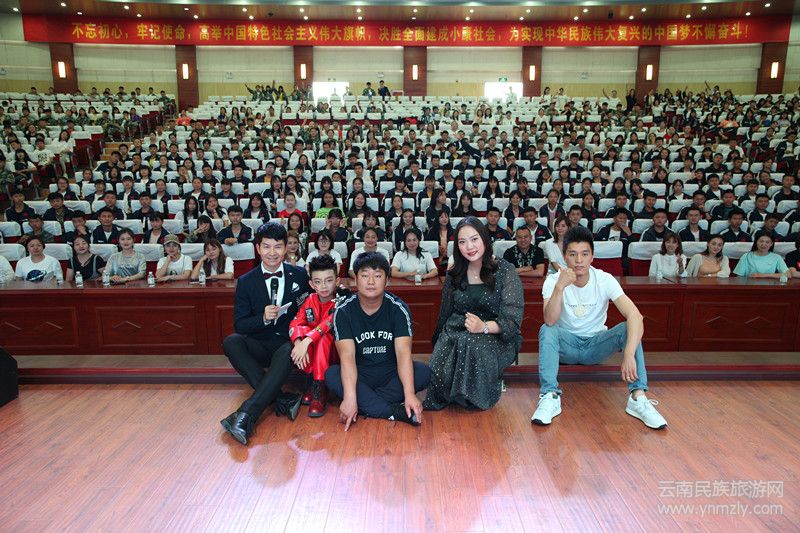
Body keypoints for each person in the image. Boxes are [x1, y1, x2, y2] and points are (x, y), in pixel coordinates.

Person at [531, 225, 667, 430]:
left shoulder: (604, 279)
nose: (579, 260)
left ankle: (638, 397)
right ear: (564, 256)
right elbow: (550, 320)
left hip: (596, 346)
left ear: (592, 257)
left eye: (584, 254)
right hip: (567, 346)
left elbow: (635, 316)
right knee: (547, 330)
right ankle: (550, 395)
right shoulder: (552, 281)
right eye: (573, 254)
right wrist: (560, 286)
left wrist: (628, 354)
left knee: (628, 327)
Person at [220, 222, 311, 445]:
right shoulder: (246, 281)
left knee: (289, 348)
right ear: (258, 248)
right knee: (231, 342)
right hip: (260, 344)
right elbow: (240, 325)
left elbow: (310, 309)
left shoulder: (300, 275)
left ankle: (247, 414)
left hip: (287, 346)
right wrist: (262, 318)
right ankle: (281, 398)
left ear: (286, 248)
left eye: (278, 247)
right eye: (267, 247)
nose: (272, 253)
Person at [423, 217, 523, 411]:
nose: (469, 246)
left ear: (485, 239)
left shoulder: (505, 271)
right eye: (462, 242)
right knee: (438, 373)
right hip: (457, 329)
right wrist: (438, 342)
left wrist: (483, 327)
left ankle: (475, 394)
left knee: (471, 343)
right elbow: (445, 313)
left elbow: (511, 321)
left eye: (474, 239)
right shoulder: (454, 273)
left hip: (495, 334)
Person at [326, 252, 431, 428]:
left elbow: (403, 354)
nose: (371, 282)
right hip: (360, 374)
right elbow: (347, 358)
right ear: (355, 279)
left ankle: (366, 404)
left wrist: (409, 394)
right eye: (364, 276)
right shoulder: (343, 312)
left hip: (391, 373)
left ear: (387, 280)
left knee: (423, 372)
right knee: (332, 374)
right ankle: (392, 411)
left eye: (377, 276)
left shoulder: (399, 309)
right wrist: (350, 397)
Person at [289, 255, 344, 418]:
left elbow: (329, 323)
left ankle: (319, 389)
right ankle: (314, 385)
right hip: (316, 355)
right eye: (318, 282)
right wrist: (299, 342)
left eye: (329, 280)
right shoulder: (310, 299)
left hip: (336, 353)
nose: (324, 286)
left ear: (337, 281)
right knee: (304, 331)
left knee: (323, 338)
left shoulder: (341, 300)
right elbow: (295, 323)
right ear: (312, 284)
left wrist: (307, 340)